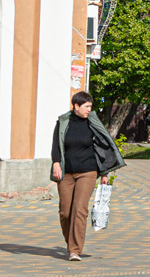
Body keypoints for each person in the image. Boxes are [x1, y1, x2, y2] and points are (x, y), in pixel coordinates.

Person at [50, 91, 125, 261]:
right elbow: (56, 144)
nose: (89, 110)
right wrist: (56, 163)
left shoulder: (92, 122)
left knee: (79, 209)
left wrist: (104, 172)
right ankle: (70, 242)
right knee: (65, 212)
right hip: (66, 172)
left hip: (88, 171)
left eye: (91, 107)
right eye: (86, 107)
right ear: (76, 106)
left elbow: (103, 146)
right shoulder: (63, 122)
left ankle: (75, 250)